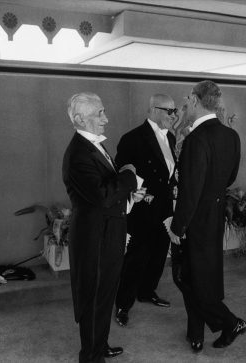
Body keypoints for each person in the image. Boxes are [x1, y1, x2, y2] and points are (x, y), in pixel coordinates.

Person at [62, 92, 143, 363]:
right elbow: (103, 195)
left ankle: (100, 345)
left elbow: (105, 192)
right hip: (94, 238)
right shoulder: (78, 153)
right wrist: (129, 175)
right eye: (99, 114)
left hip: (107, 232)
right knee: (94, 296)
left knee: (106, 293)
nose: (106, 119)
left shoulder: (93, 146)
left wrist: (128, 192)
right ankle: (91, 355)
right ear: (79, 119)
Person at [168, 80, 246, 353]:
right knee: (200, 278)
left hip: (195, 221)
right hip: (214, 217)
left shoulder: (196, 139)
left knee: (187, 278)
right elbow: (231, 177)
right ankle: (196, 333)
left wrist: (178, 228)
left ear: (196, 99)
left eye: (188, 98)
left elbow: (190, 190)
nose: (186, 102)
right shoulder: (231, 136)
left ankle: (230, 322)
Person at [114, 94, 177, 327]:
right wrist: (141, 191)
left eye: (175, 111)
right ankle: (123, 303)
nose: (174, 116)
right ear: (153, 109)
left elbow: (168, 173)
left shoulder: (170, 137)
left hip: (164, 207)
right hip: (142, 208)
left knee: (160, 252)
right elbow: (123, 172)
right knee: (136, 257)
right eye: (169, 111)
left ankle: (147, 291)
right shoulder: (132, 138)